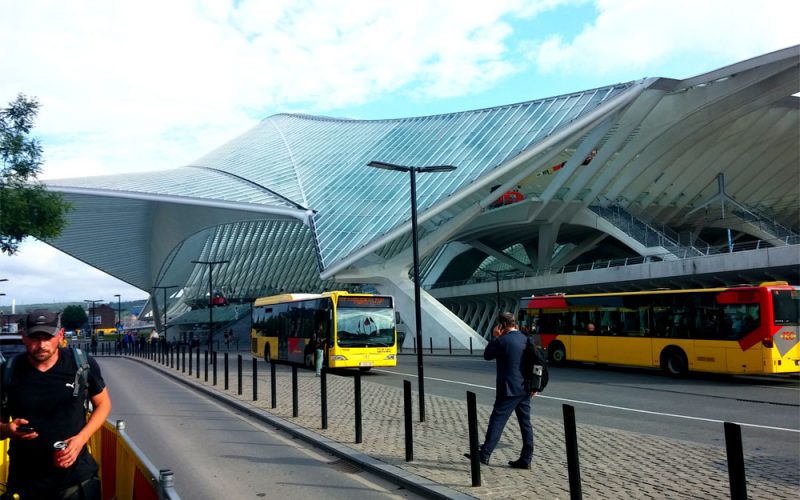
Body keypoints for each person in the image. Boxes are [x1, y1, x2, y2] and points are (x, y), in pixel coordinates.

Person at [0, 310, 112, 499]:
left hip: (77, 481)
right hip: (25, 484)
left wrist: (81, 439)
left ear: (60, 336)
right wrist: (8, 430)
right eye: (35, 337)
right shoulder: (7, 372)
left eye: (48, 337)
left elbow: (103, 404)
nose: (42, 345)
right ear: (24, 337)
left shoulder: (82, 364)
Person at [465, 312, 534, 469]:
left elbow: (487, 355)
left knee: (497, 420)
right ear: (514, 323)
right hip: (525, 388)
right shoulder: (525, 338)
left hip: (508, 389)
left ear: (501, 325)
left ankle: (485, 454)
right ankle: (526, 458)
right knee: (526, 424)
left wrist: (495, 337)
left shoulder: (503, 340)